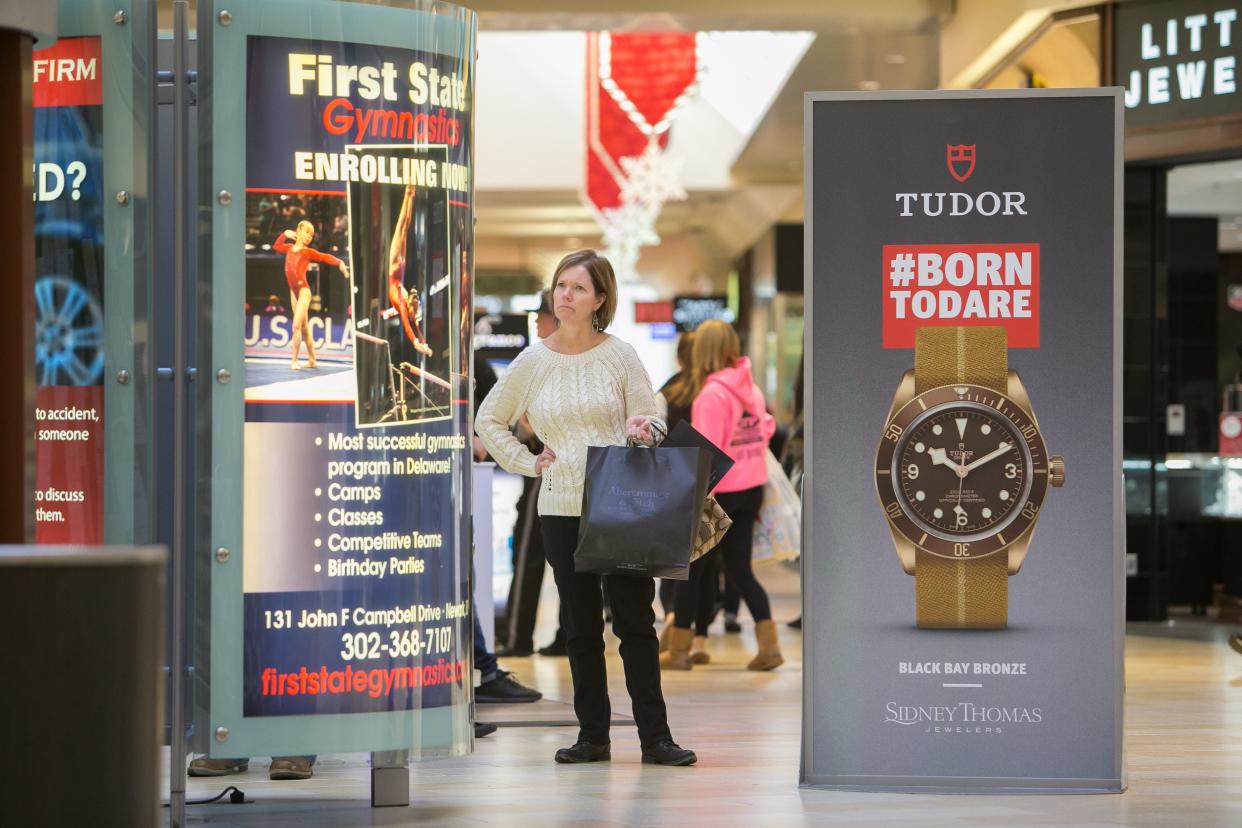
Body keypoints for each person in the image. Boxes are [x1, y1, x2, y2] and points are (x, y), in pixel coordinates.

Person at [475, 249, 696, 766]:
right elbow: (489, 420)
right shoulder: (533, 360)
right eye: (561, 286)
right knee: (578, 626)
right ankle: (593, 736)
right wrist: (529, 463)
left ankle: (655, 738)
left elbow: (651, 414)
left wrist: (643, 428)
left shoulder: (619, 355)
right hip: (560, 505)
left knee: (635, 624)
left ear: (600, 298)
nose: (565, 295)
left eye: (577, 288)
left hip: (621, 502)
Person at [663, 319, 784, 672]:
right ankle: (769, 645)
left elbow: (707, 454)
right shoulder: (752, 391)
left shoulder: (711, 395)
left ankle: (680, 651)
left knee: (689, 570)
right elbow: (767, 429)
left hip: (718, 494)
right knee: (740, 570)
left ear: (703, 351)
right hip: (750, 488)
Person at [273, 220, 349, 371]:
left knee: (296, 326)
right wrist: (284, 234)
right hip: (293, 292)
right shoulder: (289, 248)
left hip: (303, 292)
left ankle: (294, 360)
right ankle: (312, 359)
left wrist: (339, 262)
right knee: (304, 328)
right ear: (299, 231)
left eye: (312, 235)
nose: (309, 237)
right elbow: (276, 247)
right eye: (307, 232)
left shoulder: (308, 252)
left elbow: (324, 257)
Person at [387, 184, 433, 357]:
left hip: (394, 266)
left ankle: (408, 194)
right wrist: (424, 343)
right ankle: (410, 195)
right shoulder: (411, 306)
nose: (414, 315)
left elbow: (408, 326)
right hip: (402, 268)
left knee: (401, 226)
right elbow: (417, 328)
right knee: (406, 227)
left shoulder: (402, 303)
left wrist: (417, 344)